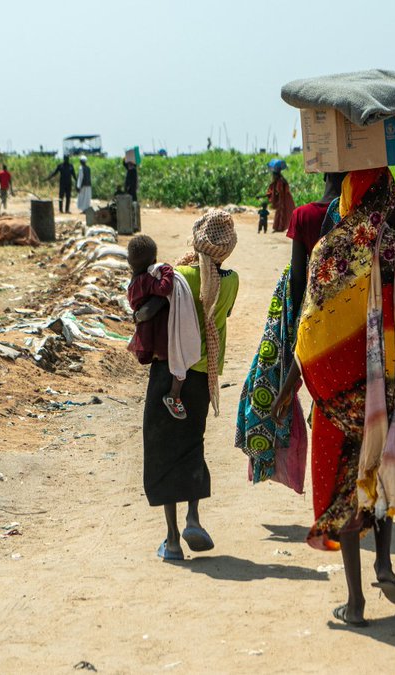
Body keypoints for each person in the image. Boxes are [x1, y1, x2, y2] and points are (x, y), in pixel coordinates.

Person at [272, 163, 395, 626]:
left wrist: (289, 388)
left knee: (341, 490)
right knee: (379, 469)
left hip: (336, 397)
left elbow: (309, 332)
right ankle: (384, 563)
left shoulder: (331, 250)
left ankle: (355, 601)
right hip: (385, 384)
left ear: (348, 198)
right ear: (388, 199)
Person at [136, 210, 239, 561]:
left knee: (162, 450)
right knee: (193, 444)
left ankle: (173, 540)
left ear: (197, 240)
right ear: (228, 248)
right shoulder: (232, 280)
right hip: (203, 374)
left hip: (170, 370)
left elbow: (146, 311)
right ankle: (194, 517)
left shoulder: (179, 275)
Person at [234, 172, 344, 491]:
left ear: (323, 170)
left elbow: (297, 279)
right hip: (350, 320)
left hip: (313, 318)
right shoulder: (360, 215)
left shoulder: (305, 215)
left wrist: (295, 332)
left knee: (316, 394)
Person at [126, 235, 201, 421]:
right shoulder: (148, 281)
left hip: (146, 332)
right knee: (178, 364)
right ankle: (174, 395)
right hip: (160, 336)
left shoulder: (134, 283)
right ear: (153, 260)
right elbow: (164, 289)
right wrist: (167, 270)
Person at [267, 168, 295, 233]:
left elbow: (280, 190)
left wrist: (276, 192)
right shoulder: (281, 180)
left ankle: (280, 227)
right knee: (281, 212)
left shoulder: (280, 181)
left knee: (282, 212)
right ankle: (279, 227)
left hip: (284, 199)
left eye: (273, 175)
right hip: (285, 198)